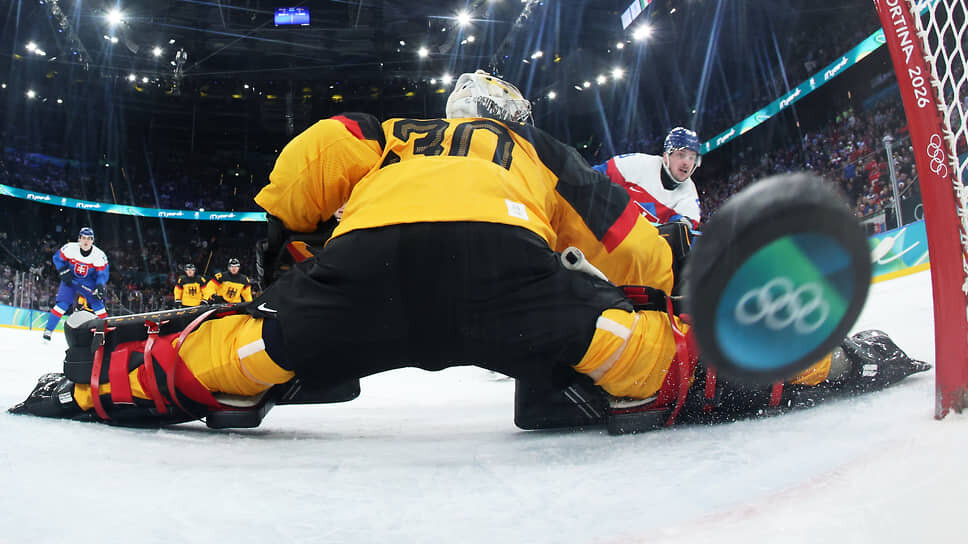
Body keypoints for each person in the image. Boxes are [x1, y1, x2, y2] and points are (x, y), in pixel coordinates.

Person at [10, 71, 928, 430]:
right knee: (642, 358)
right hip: (509, 280)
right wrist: (677, 297)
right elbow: (630, 243)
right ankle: (818, 363)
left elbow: (316, 154)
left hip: (365, 268)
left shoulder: (391, 131)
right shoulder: (537, 152)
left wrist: (286, 253)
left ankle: (96, 380)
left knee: (246, 352)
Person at [593, 127, 702, 230]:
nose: (687, 163)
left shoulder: (689, 195)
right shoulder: (638, 164)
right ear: (666, 156)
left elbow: (680, 231)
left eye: (692, 158)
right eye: (681, 155)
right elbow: (593, 175)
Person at [42, 227, 109, 343]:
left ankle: (107, 334)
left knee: (98, 306)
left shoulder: (99, 255)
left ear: (93, 240)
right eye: (83, 238)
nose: (86, 241)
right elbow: (57, 258)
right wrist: (63, 271)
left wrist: (99, 286)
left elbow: (102, 274)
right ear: (79, 239)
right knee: (62, 305)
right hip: (71, 280)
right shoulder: (70, 248)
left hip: (89, 282)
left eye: (89, 238)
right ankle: (48, 331)